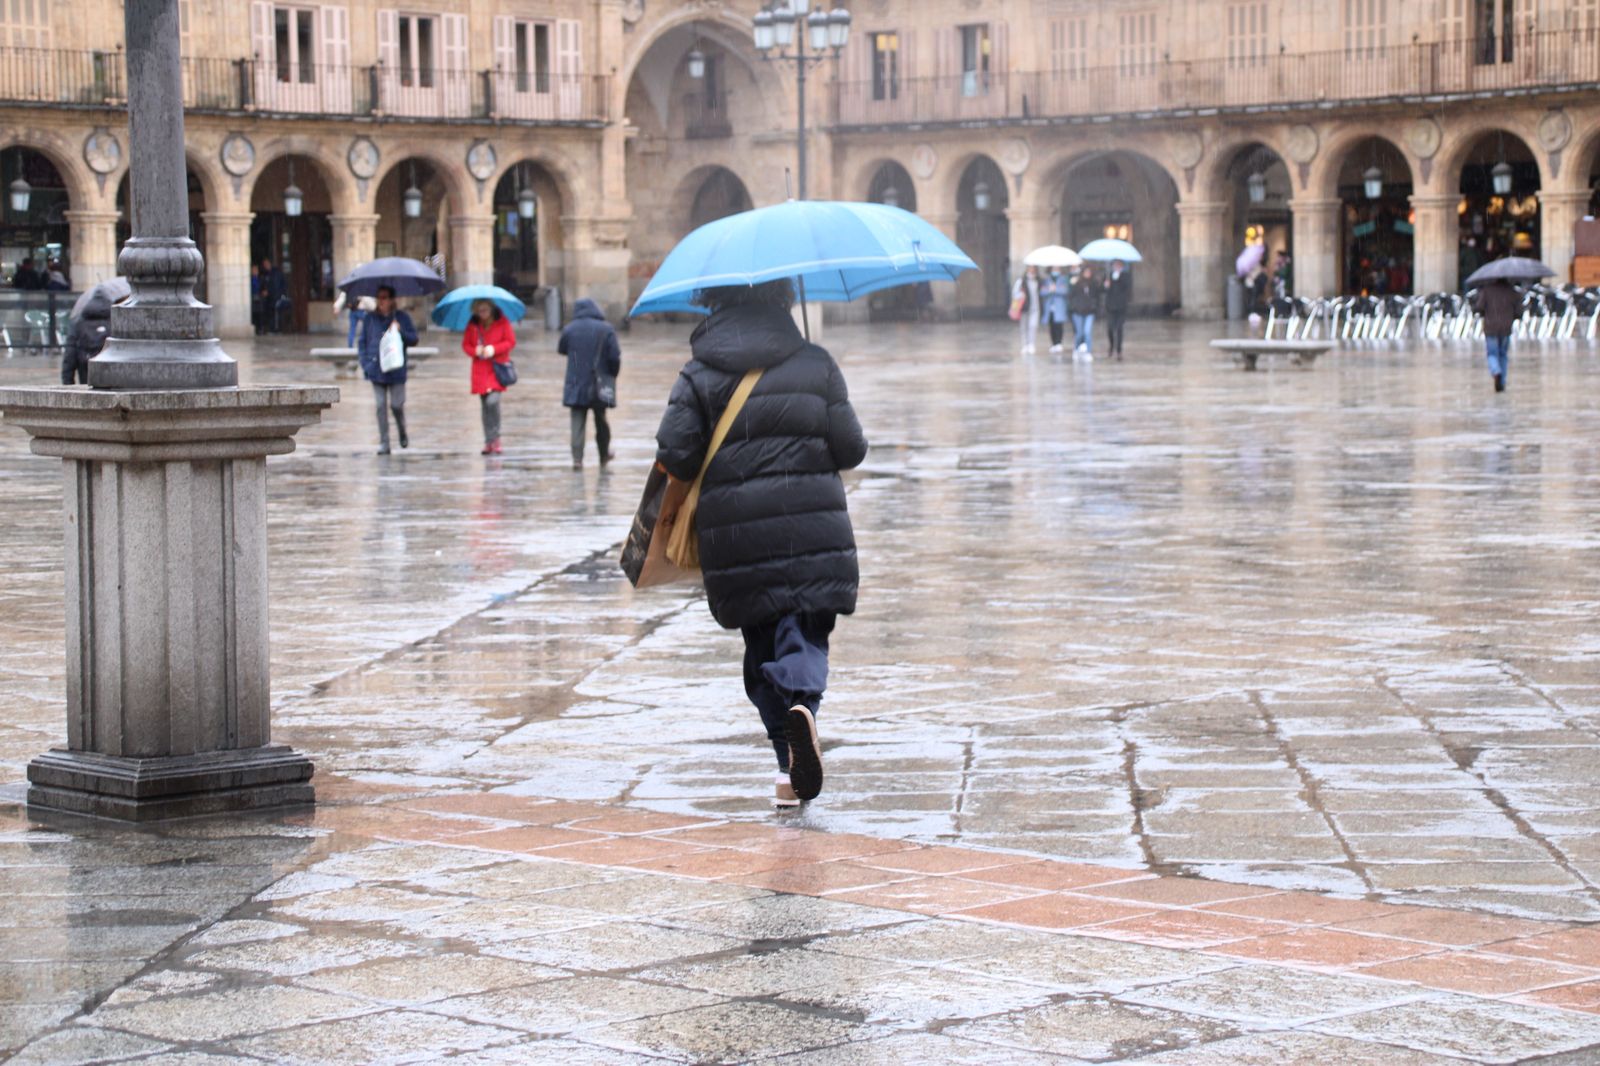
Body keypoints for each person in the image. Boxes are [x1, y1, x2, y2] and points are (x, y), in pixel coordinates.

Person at [654, 278, 867, 810]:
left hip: (736, 535)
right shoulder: (815, 361)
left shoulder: (698, 372)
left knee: (762, 649)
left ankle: (787, 768)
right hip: (814, 528)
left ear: (713, 301)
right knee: (805, 635)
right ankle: (803, 708)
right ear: (784, 297)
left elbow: (676, 455)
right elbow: (851, 447)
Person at [558, 297, 622, 470]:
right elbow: (614, 356)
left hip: (575, 383)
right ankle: (604, 454)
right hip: (599, 384)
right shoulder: (606, 329)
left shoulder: (569, 329)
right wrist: (612, 375)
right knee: (601, 419)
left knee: (577, 422)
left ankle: (577, 459)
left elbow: (561, 349)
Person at [355, 285, 418, 454]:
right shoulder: (370, 319)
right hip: (376, 369)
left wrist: (400, 331)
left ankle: (402, 431)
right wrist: (365, 363)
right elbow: (362, 342)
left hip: (396, 369)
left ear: (391, 300)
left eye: (384, 297)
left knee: (397, 405)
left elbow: (414, 339)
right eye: (379, 297)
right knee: (380, 405)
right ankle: (384, 442)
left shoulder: (402, 317)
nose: (381, 301)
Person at [463, 298, 515, 455]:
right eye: (479, 311)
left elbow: (510, 342)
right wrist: (475, 351)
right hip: (480, 370)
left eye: (485, 310)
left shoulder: (502, 322)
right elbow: (466, 345)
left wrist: (494, 349)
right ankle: (488, 441)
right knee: (485, 407)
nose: (482, 314)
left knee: (493, 402)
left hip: (497, 369)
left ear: (491, 309)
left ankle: (496, 438)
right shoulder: (473, 325)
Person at [1471, 277, 1520, 393]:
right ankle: (1502, 381)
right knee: (1503, 354)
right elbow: (1518, 310)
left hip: (1490, 327)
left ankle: (1496, 371)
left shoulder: (1487, 290)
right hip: (1506, 327)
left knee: (1492, 353)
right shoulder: (1511, 291)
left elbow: (1479, 307)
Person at [61, 285, 115, 385]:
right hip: (112, 379)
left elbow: (69, 354)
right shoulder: (115, 324)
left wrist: (68, 383)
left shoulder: (78, 324)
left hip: (85, 378)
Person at [1102, 259, 1132, 360]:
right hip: (1110, 306)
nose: (1117, 267)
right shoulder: (1108, 276)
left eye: (1119, 265)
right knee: (1110, 328)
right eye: (1115, 265)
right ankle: (1111, 347)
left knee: (1119, 328)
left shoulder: (1126, 276)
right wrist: (1106, 285)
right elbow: (1103, 289)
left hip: (1121, 306)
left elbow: (1127, 288)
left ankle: (1119, 350)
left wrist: (1119, 278)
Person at [1068, 264, 1099, 358]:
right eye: (1086, 272)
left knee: (1087, 332)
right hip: (1078, 311)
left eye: (1089, 272)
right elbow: (1071, 295)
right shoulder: (1076, 282)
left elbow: (1097, 295)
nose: (1087, 274)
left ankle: (1088, 351)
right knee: (1079, 333)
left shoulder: (1093, 283)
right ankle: (1076, 349)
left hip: (1089, 311)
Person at [1011, 265, 1042, 355]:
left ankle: (1031, 344)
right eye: (1030, 268)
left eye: (1033, 268)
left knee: (1033, 326)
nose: (1032, 270)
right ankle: (1025, 344)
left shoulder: (1038, 281)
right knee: (1024, 327)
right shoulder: (1021, 281)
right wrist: (1021, 295)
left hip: (1035, 308)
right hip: (1024, 307)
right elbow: (1015, 293)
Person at [1040, 267, 1070, 353]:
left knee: (1059, 325)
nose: (1055, 271)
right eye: (1054, 269)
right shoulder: (1047, 280)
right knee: (1051, 325)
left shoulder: (1063, 279)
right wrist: (1049, 289)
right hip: (1050, 307)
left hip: (1059, 306)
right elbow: (1042, 291)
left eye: (1057, 269)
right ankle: (1053, 343)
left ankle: (1059, 342)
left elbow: (1066, 290)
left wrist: (1056, 289)